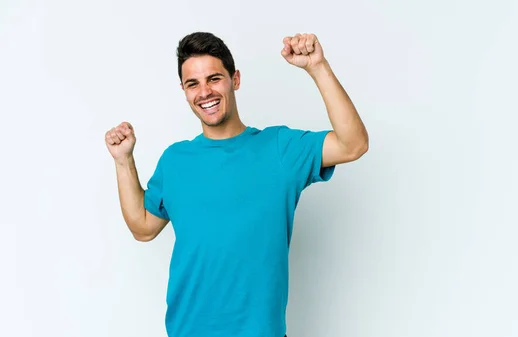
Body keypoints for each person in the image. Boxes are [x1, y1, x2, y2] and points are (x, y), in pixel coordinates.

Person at [104, 31, 368, 337]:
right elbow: (143, 227)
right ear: (184, 90)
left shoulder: (280, 148)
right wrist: (123, 160)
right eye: (193, 83)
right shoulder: (175, 160)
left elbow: (353, 144)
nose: (204, 92)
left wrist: (317, 67)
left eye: (214, 78)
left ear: (235, 79)